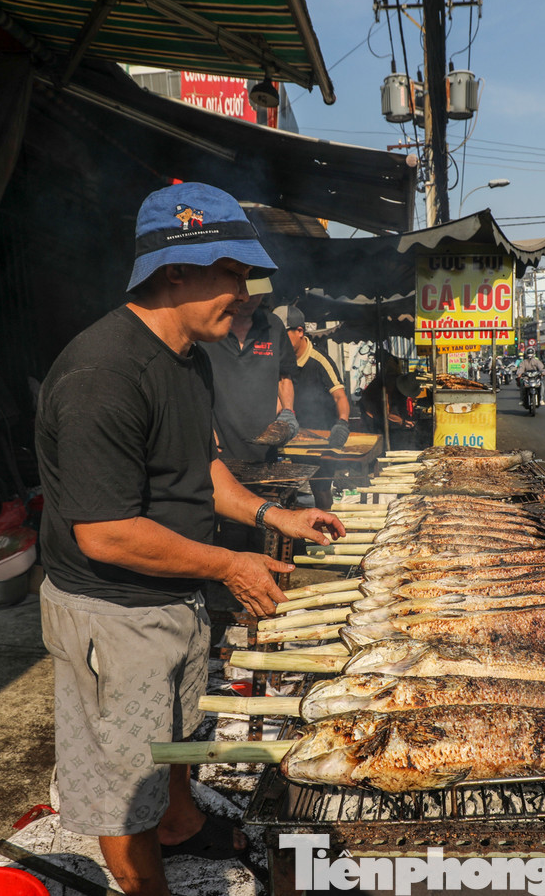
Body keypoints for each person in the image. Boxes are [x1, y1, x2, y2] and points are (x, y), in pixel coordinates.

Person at [35, 182, 346, 896]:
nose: (245, 291)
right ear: (175, 271)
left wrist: (271, 519)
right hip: (115, 612)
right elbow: (107, 534)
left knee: (174, 735)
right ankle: (147, 880)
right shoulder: (102, 374)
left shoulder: (187, 358)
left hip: (175, 595)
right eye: (232, 274)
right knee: (124, 777)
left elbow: (198, 466)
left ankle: (178, 825)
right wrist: (230, 563)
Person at [202, 277, 298, 463]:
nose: (251, 300)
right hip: (218, 449)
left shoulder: (274, 326)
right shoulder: (209, 328)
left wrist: (288, 412)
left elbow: (284, 377)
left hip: (265, 450)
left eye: (258, 294)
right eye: (248, 293)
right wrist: (203, 426)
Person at [277, 304, 349, 509]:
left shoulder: (320, 360)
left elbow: (339, 396)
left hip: (322, 438)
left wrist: (342, 423)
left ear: (299, 331)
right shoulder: (278, 360)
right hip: (291, 435)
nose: (278, 340)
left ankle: (326, 531)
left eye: (283, 335)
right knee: (286, 491)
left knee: (321, 489)